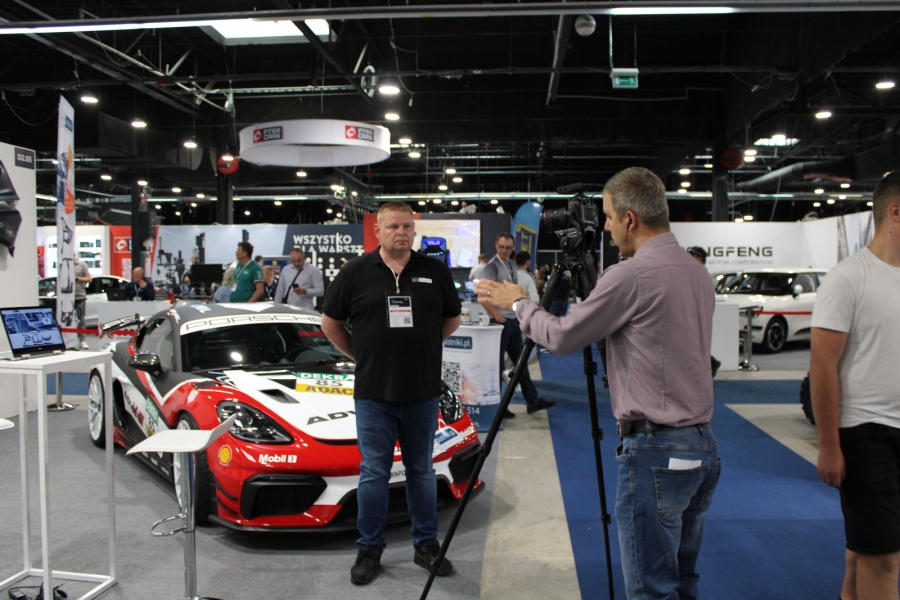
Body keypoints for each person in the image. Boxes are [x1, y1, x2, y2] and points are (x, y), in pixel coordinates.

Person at [475, 167, 720, 599]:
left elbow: (561, 337)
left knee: (651, 590)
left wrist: (520, 303)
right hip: (702, 447)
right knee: (683, 581)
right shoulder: (696, 272)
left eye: (608, 217)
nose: (605, 228)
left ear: (630, 219)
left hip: (656, 450)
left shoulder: (631, 275)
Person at [320, 201, 461, 586]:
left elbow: (452, 319)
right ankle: (369, 549)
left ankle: (426, 544)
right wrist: (361, 355)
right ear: (378, 231)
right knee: (374, 474)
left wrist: (425, 349)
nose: (402, 232)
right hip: (373, 394)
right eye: (394, 226)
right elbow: (330, 324)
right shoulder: (354, 272)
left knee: (421, 471)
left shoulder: (435, 271)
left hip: (422, 392)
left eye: (407, 226)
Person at [810, 171, 900, 600]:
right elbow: (823, 366)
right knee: (882, 559)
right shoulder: (849, 277)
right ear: (895, 212)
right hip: (866, 433)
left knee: (863, 552)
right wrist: (829, 445)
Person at [478, 233, 555, 418]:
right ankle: (498, 407)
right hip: (500, 323)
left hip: (513, 321)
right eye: (502, 247)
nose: (504, 250)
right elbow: (482, 297)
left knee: (521, 363)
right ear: (496, 245)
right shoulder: (491, 267)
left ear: (513, 248)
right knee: (497, 366)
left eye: (508, 248)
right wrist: (498, 317)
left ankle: (532, 400)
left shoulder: (512, 265)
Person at [73, 257, 92, 350]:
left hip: (79, 295)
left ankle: (82, 340)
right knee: (68, 319)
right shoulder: (64, 266)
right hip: (67, 297)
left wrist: (77, 279)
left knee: (81, 319)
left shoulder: (81, 265)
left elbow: (89, 279)